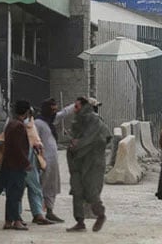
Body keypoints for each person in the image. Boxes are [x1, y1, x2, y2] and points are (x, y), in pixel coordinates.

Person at [66, 97, 111, 233]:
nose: (75, 109)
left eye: (77, 106)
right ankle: (80, 222)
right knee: (77, 191)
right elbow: (75, 137)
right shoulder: (77, 121)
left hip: (92, 162)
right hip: (77, 162)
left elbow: (98, 138)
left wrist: (78, 144)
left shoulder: (95, 121)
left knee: (92, 192)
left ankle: (100, 214)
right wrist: (74, 144)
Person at [34, 98, 75, 223]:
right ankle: (38, 213)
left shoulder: (51, 121)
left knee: (52, 185)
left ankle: (50, 211)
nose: (54, 112)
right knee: (41, 186)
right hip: (43, 160)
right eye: (52, 109)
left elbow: (64, 113)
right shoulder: (38, 123)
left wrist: (76, 105)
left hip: (53, 160)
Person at [1, 100, 32, 231]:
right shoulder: (19, 126)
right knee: (16, 193)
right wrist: (26, 162)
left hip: (9, 164)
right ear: (26, 113)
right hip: (17, 165)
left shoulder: (10, 125)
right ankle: (17, 220)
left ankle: (9, 220)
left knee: (10, 194)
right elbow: (19, 148)